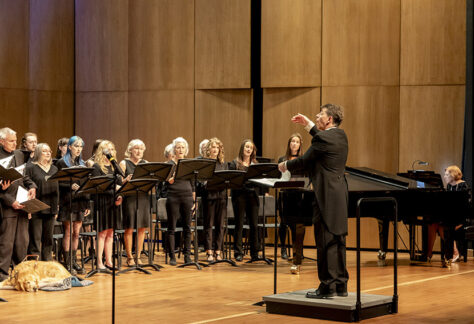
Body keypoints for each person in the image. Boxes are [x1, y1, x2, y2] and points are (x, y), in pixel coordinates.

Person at [278, 103, 349, 299]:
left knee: (325, 240)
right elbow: (320, 137)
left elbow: (303, 161)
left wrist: (284, 165)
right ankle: (341, 285)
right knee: (338, 240)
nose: (317, 117)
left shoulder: (323, 139)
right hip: (339, 195)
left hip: (325, 196)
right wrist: (309, 124)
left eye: (321, 115)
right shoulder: (341, 136)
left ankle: (327, 286)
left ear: (330, 119)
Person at [0, 127, 37, 282]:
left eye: (15, 140)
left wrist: (32, 186)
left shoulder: (19, 155)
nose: (15, 144)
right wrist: (10, 200)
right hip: (7, 206)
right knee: (6, 243)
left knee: (22, 242)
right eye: (11, 141)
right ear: (1, 141)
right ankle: (2, 275)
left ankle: (19, 272)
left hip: (22, 204)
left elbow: (25, 176)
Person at [56, 136, 90, 273]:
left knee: (77, 233)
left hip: (80, 201)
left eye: (81, 146)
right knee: (69, 232)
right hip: (67, 201)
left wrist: (87, 204)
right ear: (69, 147)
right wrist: (70, 186)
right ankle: (67, 262)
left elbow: (86, 184)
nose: (79, 149)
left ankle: (74, 261)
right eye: (76, 146)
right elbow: (57, 182)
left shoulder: (83, 164)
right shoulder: (61, 163)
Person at [278, 133, 310, 274]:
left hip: (299, 196)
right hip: (285, 194)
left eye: (297, 142)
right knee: (285, 222)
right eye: (292, 142)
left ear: (300, 144)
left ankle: (297, 253)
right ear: (289, 144)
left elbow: (308, 176)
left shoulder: (303, 160)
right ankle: (285, 248)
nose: (294, 144)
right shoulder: (283, 159)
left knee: (297, 226)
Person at [91, 140, 122, 270]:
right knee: (102, 233)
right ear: (102, 151)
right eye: (107, 149)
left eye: (112, 149)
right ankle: (99, 262)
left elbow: (120, 183)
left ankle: (109, 261)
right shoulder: (97, 167)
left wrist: (120, 195)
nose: (110, 151)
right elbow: (98, 187)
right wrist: (115, 189)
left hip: (114, 203)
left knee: (110, 233)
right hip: (102, 202)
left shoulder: (115, 166)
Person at [26, 143, 59, 261]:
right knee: (35, 238)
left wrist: (57, 207)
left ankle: (47, 263)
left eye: (49, 151)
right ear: (38, 152)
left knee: (48, 238)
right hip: (36, 208)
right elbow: (27, 187)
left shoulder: (54, 168)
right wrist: (28, 209)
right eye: (45, 151)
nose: (48, 153)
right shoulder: (31, 168)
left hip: (51, 207)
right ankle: (34, 265)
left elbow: (57, 189)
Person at [119, 139, 149, 266]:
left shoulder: (145, 163)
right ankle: (129, 256)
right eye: (136, 148)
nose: (139, 151)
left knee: (142, 228)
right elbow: (119, 183)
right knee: (129, 228)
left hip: (143, 197)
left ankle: (138, 255)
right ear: (130, 149)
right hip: (130, 198)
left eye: (141, 149)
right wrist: (125, 180)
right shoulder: (124, 163)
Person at [165, 137, 194, 266]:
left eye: (183, 147)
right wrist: (168, 180)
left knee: (187, 227)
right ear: (174, 149)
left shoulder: (189, 164)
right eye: (178, 147)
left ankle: (187, 255)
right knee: (172, 227)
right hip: (173, 196)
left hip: (187, 196)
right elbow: (164, 181)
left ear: (185, 149)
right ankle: (172, 256)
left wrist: (194, 202)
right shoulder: (169, 164)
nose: (180, 149)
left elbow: (193, 184)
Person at [229, 139, 260, 262]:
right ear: (242, 148)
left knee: (254, 225)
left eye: (250, 148)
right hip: (239, 196)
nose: (248, 149)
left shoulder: (255, 164)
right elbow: (233, 182)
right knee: (239, 224)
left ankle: (255, 253)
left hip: (253, 196)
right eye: (246, 147)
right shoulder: (234, 163)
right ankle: (238, 252)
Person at [202, 138, 227, 262]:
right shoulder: (205, 163)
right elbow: (201, 182)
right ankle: (209, 251)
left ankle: (218, 250)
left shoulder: (223, 163)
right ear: (209, 149)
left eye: (217, 147)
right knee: (209, 224)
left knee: (220, 225)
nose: (215, 149)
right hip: (209, 197)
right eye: (213, 147)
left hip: (221, 197)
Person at [442, 166, 471, 265]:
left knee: (447, 227)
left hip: (461, 218)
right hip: (452, 216)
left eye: (446, 175)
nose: (444, 177)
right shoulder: (449, 186)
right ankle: (449, 256)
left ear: (453, 175)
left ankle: (451, 255)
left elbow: (466, 206)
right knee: (441, 225)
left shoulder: (463, 186)